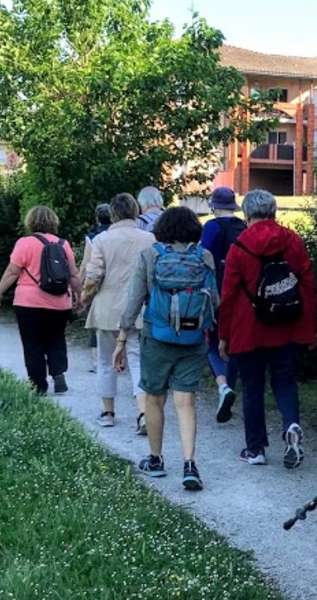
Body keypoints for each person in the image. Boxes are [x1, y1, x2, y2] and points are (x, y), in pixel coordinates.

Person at [115, 206, 216, 491]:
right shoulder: (204, 257)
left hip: (156, 338)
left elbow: (134, 300)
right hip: (193, 339)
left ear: (161, 229)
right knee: (185, 401)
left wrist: (122, 338)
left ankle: (156, 459)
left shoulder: (150, 255)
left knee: (154, 399)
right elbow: (215, 299)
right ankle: (189, 464)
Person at [218, 189, 317, 469]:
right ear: (274, 211)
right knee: (285, 381)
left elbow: (228, 295)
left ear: (247, 214)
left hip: (248, 329)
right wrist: (310, 328)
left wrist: (224, 336)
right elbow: (308, 285)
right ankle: (291, 425)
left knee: (252, 387)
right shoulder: (292, 240)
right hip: (288, 325)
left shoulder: (239, 246)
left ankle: (256, 449)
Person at [0, 205, 82, 396]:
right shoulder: (63, 244)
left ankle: (38, 385)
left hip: (29, 303)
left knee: (32, 343)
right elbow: (73, 274)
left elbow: (12, 272)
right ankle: (58, 374)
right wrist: (79, 295)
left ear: (30, 222)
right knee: (56, 337)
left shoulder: (24, 243)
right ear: (53, 221)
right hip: (60, 302)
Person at [82, 193, 155, 429]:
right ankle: (142, 413)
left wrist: (85, 297)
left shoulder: (102, 239)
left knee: (105, 360)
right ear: (135, 211)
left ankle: (108, 412)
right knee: (137, 360)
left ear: (113, 213)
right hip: (139, 308)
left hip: (107, 307)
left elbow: (94, 275)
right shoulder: (149, 238)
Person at [199, 186, 247, 423]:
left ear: (214, 206)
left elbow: (202, 257)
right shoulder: (242, 227)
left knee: (212, 343)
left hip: (216, 292)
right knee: (234, 343)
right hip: (242, 294)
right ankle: (231, 386)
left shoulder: (211, 226)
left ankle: (223, 387)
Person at [81, 203, 114, 351]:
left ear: (97, 218)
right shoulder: (117, 235)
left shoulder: (92, 238)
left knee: (95, 321)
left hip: (96, 284)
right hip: (116, 283)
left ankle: (97, 354)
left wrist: (80, 286)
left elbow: (85, 264)